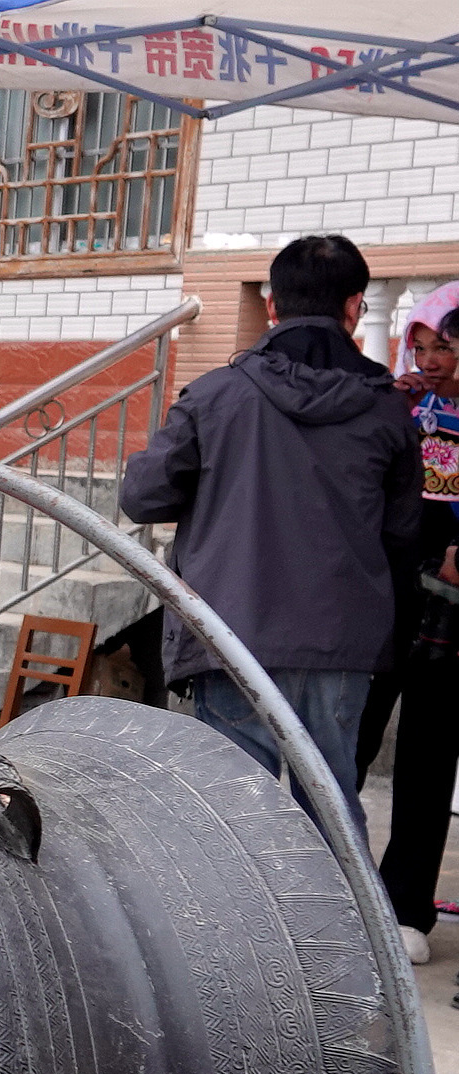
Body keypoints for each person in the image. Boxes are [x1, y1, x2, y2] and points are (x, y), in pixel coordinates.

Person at [121, 233, 421, 852]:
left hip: (232, 636)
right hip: (341, 640)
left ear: (272, 306)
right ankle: (338, 947)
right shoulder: (388, 412)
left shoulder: (214, 396)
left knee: (233, 820)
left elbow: (143, 498)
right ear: (355, 306)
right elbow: (403, 536)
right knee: (332, 810)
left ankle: (245, 949)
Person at [371, 290, 459, 963]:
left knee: (429, 751)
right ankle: (343, 891)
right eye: (420, 345)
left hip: (450, 609)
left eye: (444, 348)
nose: (429, 361)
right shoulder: (399, 404)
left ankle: (408, 908)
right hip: (390, 585)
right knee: (352, 737)